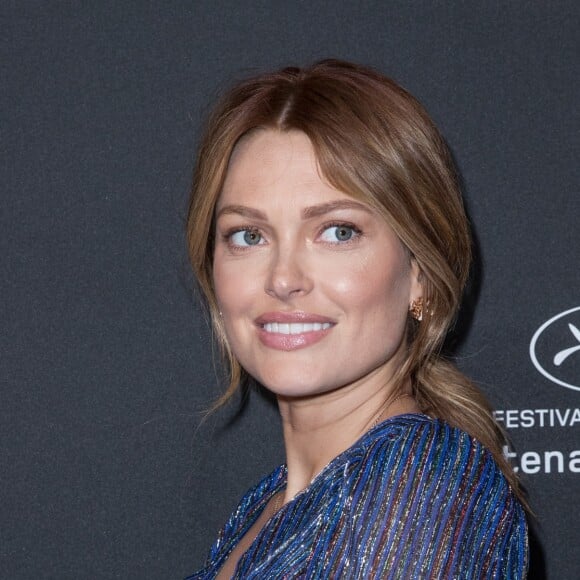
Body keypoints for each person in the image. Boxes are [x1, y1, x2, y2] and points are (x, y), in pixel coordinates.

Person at [186, 60, 528, 579]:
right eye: (248, 236)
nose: (283, 278)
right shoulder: (270, 507)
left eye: (337, 231)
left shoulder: (420, 488)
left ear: (421, 276)